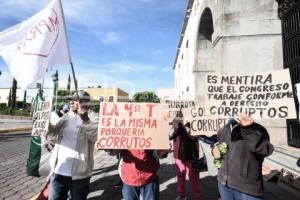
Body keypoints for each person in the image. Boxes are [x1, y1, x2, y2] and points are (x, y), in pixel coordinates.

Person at [48, 90, 98, 200]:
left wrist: (86, 120)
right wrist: (46, 125)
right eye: (71, 100)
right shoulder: (67, 116)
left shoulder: (93, 117)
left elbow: (95, 137)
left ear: (84, 103)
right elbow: (54, 132)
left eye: (75, 100)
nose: (71, 102)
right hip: (58, 171)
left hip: (79, 174)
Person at [212, 114, 274, 200]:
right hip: (223, 184)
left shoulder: (257, 129)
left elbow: (266, 150)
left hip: (246, 189)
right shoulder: (224, 128)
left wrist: (249, 129)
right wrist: (214, 150)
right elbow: (218, 145)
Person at [169, 118, 202, 200]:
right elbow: (170, 136)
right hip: (178, 155)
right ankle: (181, 195)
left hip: (191, 155)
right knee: (180, 175)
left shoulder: (193, 120)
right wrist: (174, 129)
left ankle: (197, 197)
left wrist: (187, 128)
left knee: (194, 177)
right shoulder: (175, 121)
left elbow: (196, 137)